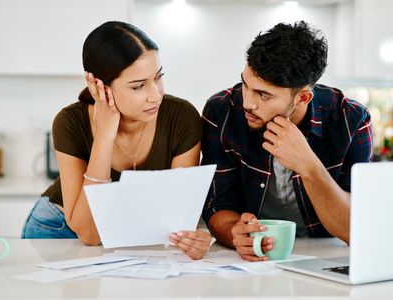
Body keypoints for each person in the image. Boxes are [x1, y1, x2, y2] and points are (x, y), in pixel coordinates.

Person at [22, 21, 211, 260]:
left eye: (158, 77)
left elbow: (178, 220)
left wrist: (195, 239)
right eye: (138, 86)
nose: (155, 95)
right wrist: (104, 136)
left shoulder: (182, 117)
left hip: (136, 231)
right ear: (100, 87)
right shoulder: (70, 122)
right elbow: (90, 235)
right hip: (59, 229)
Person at [201, 21, 373, 262]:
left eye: (263, 95)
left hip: (327, 255)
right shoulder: (221, 110)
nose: (247, 102)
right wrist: (235, 234)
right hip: (255, 258)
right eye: (245, 85)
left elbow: (354, 230)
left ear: (303, 97)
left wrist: (308, 165)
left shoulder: (350, 119)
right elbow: (219, 204)